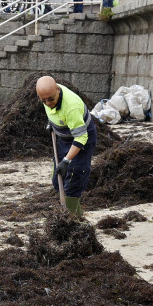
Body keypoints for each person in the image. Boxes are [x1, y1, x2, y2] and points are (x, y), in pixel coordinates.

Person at [36, 76, 97, 218]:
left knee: (74, 180)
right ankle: (75, 213)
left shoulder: (71, 106)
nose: (47, 103)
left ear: (57, 89)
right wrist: (52, 123)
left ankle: (74, 221)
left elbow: (81, 137)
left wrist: (66, 161)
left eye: (50, 99)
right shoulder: (47, 96)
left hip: (82, 140)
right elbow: (54, 112)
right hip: (63, 138)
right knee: (58, 180)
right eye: (43, 100)